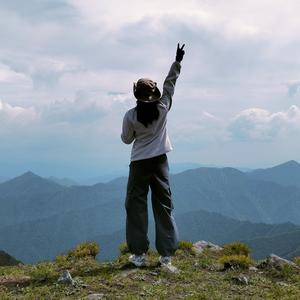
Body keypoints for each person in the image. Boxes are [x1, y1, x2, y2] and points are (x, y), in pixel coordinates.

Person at [121, 43, 185, 268]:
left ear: (137, 96)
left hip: (139, 164)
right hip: (160, 163)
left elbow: (126, 139)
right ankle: (166, 255)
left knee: (135, 206)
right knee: (163, 205)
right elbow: (170, 85)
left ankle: (138, 254)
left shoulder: (130, 116)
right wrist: (177, 61)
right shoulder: (163, 108)